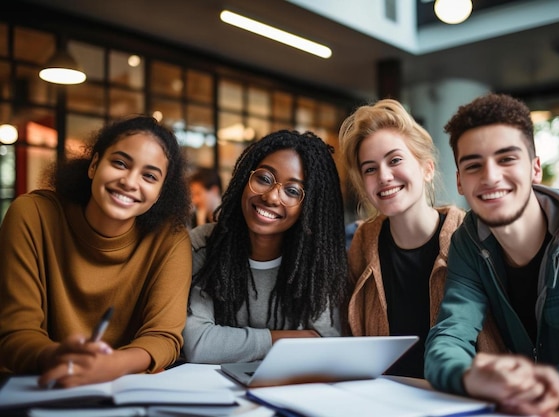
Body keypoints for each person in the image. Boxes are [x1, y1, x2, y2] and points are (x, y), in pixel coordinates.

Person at [424, 93, 559, 415]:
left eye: (506, 159)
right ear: (460, 181)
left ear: (535, 168)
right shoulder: (467, 244)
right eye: (474, 165)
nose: (490, 176)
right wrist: (468, 376)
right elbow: (450, 333)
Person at [0, 115, 192, 388]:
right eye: (120, 163)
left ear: (160, 192)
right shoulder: (32, 215)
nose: (129, 181)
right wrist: (57, 356)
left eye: (149, 176)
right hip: (35, 384)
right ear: (93, 165)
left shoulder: (170, 240)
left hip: (122, 388)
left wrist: (112, 365)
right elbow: (15, 332)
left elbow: (163, 336)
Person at [338, 98, 504, 379]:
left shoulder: (473, 237)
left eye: (395, 160)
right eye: (370, 168)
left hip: (461, 397)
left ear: (427, 168)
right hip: (383, 397)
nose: (384, 176)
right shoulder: (362, 242)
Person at [183, 130, 347, 363]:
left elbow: (325, 344)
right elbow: (198, 344)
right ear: (244, 179)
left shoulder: (317, 260)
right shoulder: (204, 246)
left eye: (292, 191)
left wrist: (230, 342)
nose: (271, 197)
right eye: (264, 179)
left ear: (310, 207)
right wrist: (283, 339)